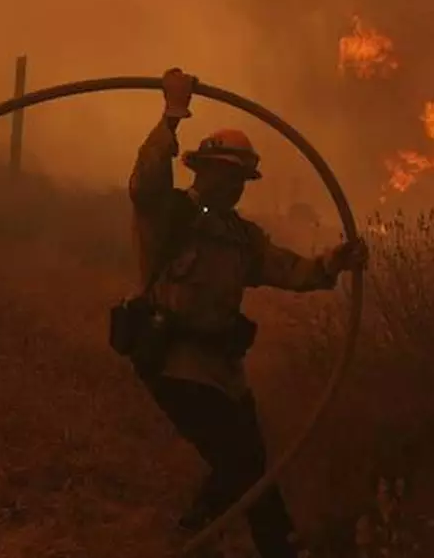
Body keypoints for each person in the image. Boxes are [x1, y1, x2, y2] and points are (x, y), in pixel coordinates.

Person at [127, 68, 367, 557]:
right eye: (227, 174)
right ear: (203, 169)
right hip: (174, 364)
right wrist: (172, 116)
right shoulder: (167, 214)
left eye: (241, 178)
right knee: (243, 466)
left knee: (246, 460)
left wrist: (333, 263)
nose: (235, 186)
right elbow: (145, 179)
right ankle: (280, 549)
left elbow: (292, 271)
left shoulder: (242, 238)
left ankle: (192, 532)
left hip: (224, 373)